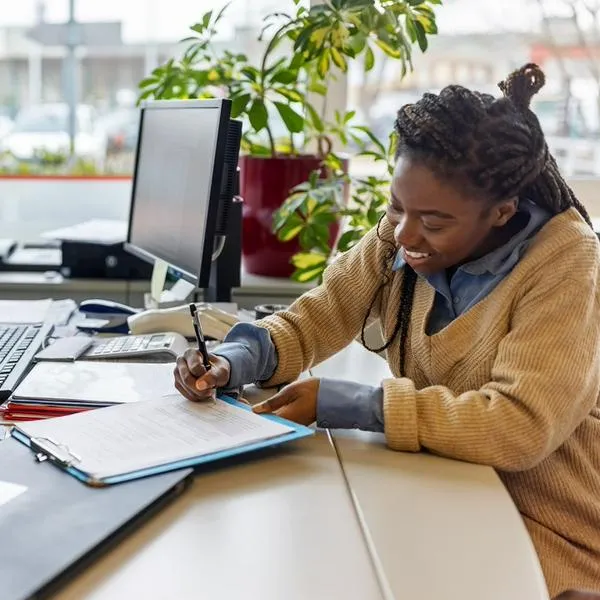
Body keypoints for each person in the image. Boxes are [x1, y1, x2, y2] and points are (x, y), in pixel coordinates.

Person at [174, 64, 600, 598]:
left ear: (502, 211)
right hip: (449, 485)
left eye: (434, 221)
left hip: (551, 525)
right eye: (397, 206)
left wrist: (358, 406)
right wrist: (235, 359)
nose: (405, 233)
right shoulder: (404, 232)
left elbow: (520, 426)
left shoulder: (566, 262)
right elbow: (320, 314)